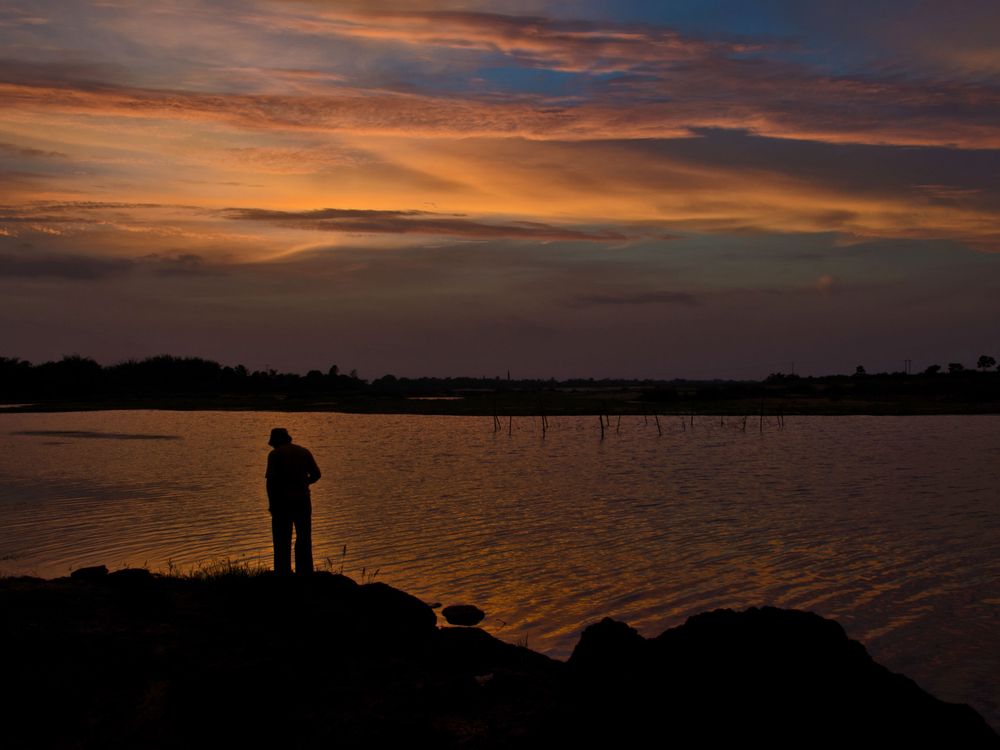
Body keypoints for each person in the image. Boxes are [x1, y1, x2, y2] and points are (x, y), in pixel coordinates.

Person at [265, 427, 321, 575]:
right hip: (303, 501)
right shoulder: (304, 452)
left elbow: (270, 483)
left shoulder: (274, 455)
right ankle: (305, 572)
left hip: (282, 503)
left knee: (281, 539)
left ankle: (283, 573)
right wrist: (304, 483)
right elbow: (316, 474)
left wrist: (272, 504)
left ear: (275, 441)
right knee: (304, 537)